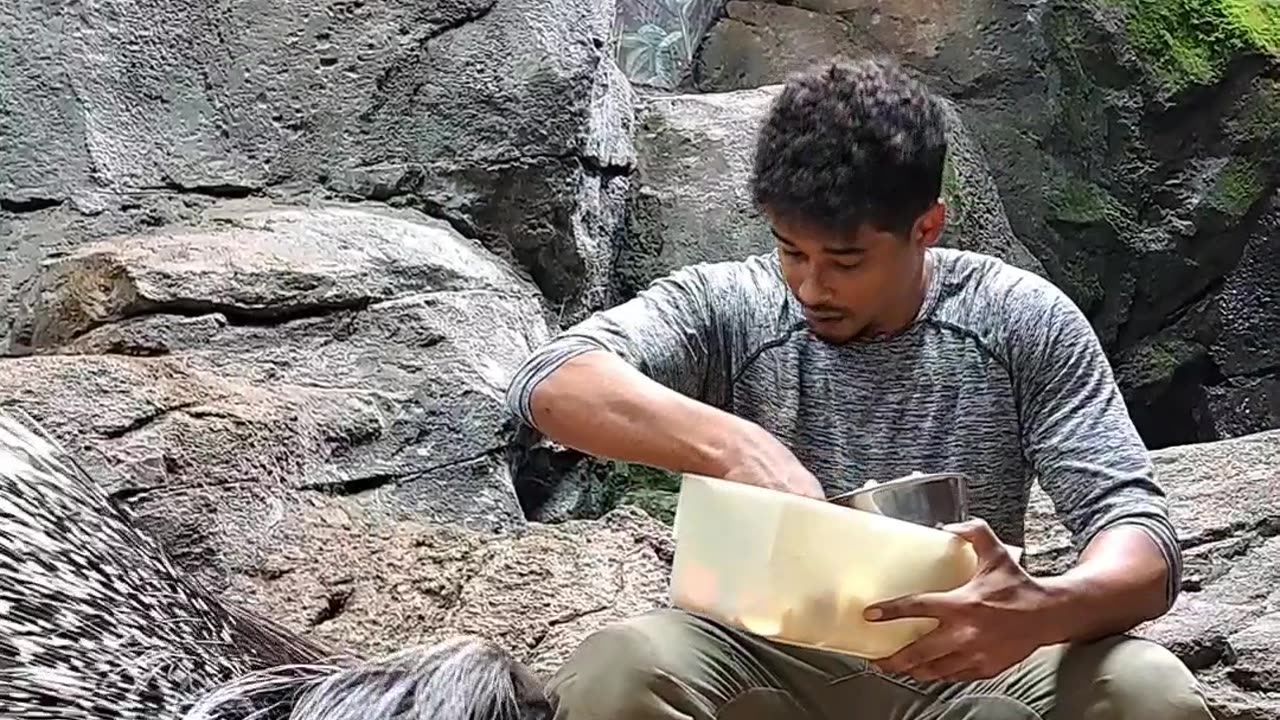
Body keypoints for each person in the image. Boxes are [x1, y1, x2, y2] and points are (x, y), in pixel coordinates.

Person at [503, 55, 1212, 720]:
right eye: (791, 251)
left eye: (845, 261)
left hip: (965, 660)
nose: (811, 286)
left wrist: (1044, 608)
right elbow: (550, 380)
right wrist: (733, 446)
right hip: (760, 656)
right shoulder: (732, 305)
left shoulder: (1018, 319)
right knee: (618, 669)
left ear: (925, 227)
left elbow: (1141, 541)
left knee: (1147, 691)